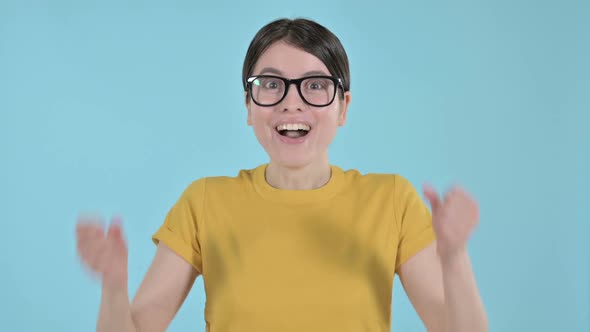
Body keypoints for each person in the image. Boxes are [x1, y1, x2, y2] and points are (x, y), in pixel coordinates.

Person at [76, 17, 488, 332]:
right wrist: (113, 285)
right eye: (271, 85)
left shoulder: (391, 200)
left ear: (343, 107)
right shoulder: (204, 202)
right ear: (248, 105)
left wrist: (454, 257)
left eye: (314, 85)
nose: (292, 103)